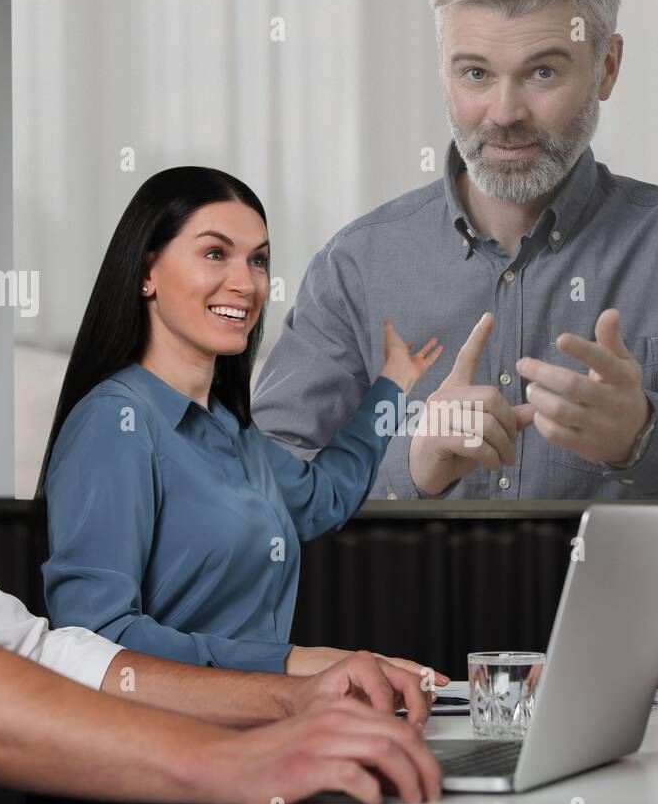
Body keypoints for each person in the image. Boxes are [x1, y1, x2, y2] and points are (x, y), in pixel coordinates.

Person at [0, 30, 439, 804]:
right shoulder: (115, 421)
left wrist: (296, 697)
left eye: (260, 260)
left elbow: (32, 647)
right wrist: (252, 731)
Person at [252, 0, 658, 501]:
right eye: (475, 74)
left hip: (627, 618)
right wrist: (412, 463)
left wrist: (645, 433)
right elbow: (256, 487)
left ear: (607, 68)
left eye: (542, 72)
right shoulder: (355, 265)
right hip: (413, 613)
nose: (504, 114)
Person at [39, 167, 449, 680]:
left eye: (258, 260)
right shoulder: (114, 425)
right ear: (147, 272)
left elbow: (323, 498)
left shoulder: (232, 429)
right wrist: (296, 664)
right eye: (215, 253)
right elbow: (97, 639)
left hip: (258, 724)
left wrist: (392, 386)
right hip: (170, 741)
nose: (246, 283)